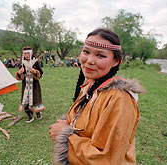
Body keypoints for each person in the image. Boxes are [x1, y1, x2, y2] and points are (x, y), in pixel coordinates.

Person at [49, 29, 145, 164]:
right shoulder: (90, 87)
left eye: (100, 56)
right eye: (86, 52)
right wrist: (69, 125)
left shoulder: (119, 99)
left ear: (116, 61)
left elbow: (106, 158)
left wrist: (65, 136)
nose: (89, 60)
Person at [15, 46, 46, 123]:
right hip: (26, 85)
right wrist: (19, 73)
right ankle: (30, 116)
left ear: (31, 53)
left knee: (35, 99)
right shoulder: (22, 63)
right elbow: (20, 76)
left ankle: (38, 113)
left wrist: (35, 72)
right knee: (26, 100)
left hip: (34, 84)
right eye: (25, 53)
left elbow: (41, 72)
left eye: (28, 53)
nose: (26, 55)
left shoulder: (35, 62)